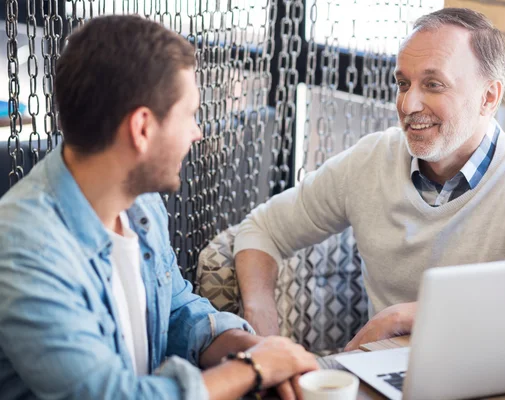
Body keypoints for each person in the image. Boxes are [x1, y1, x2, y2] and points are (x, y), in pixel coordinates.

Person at [0, 15, 317, 400]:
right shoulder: (24, 249)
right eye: (189, 115)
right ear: (142, 129)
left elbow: (174, 311)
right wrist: (252, 369)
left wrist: (248, 345)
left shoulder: (140, 205)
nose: (197, 132)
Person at [233, 7, 505, 350]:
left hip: (498, 378)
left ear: (488, 97)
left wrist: (406, 317)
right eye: (403, 83)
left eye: (433, 85)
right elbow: (262, 229)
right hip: (386, 380)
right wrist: (262, 321)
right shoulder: (370, 161)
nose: (408, 104)